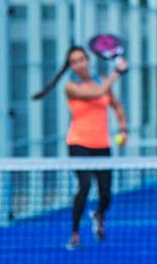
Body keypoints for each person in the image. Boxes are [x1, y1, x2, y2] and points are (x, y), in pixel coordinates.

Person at [32, 45, 129, 250]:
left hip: (102, 144)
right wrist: (117, 72)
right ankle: (75, 233)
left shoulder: (102, 81)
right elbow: (97, 93)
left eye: (82, 59)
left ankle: (99, 215)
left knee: (106, 194)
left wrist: (123, 129)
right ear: (71, 66)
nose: (79, 64)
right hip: (78, 143)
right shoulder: (71, 87)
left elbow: (116, 106)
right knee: (84, 185)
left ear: (88, 60)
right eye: (74, 61)